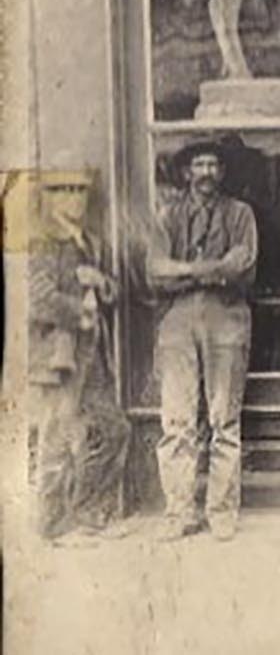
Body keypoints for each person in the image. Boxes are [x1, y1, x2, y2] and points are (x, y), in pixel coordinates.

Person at [148, 138, 258, 542]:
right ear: (186, 172)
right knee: (176, 419)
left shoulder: (240, 214)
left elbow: (242, 266)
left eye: (214, 164)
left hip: (226, 316)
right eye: (199, 164)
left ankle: (221, 511)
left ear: (222, 172)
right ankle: (179, 512)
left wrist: (185, 271)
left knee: (224, 419)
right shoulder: (168, 216)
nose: (207, 172)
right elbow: (156, 271)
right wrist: (209, 268)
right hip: (177, 319)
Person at [27, 171, 131, 545]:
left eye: (80, 192)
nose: (74, 199)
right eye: (65, 192)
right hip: (61, 356)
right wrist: (80, 309)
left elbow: (114, 292)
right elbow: (38, 300)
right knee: (58, 439)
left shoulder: (91, 242)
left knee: (115, 429)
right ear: (51, 198)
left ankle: (88, 514)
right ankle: (54, 527)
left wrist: (101, 283)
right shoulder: (43, 243)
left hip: (93, 354)